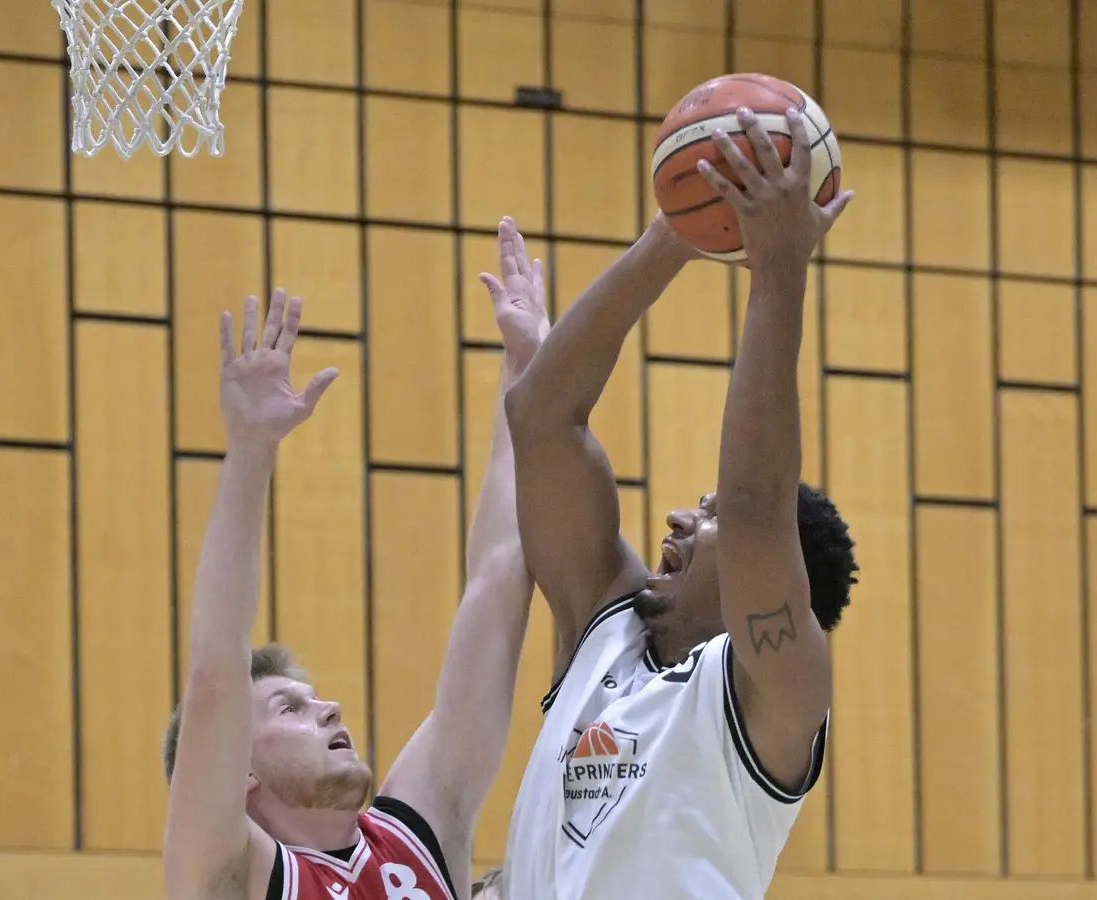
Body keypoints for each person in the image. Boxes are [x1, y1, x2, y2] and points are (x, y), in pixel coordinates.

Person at [498, 106, 860, 899]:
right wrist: (676, 232)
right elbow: (540, 418)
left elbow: (757, 500)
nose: (678, 520)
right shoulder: (605, 626)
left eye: (706, 516)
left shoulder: (778, 686)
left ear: (773, 573)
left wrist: (779, 270)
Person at [161, 230, 551, 900]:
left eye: (313, 701)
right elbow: (215, 676)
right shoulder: (233, 874)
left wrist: (526, 373)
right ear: (239, 771)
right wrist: (251, 452)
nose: (332, 708)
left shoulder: (422, 828)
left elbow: (501, 575)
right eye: (290, 708)